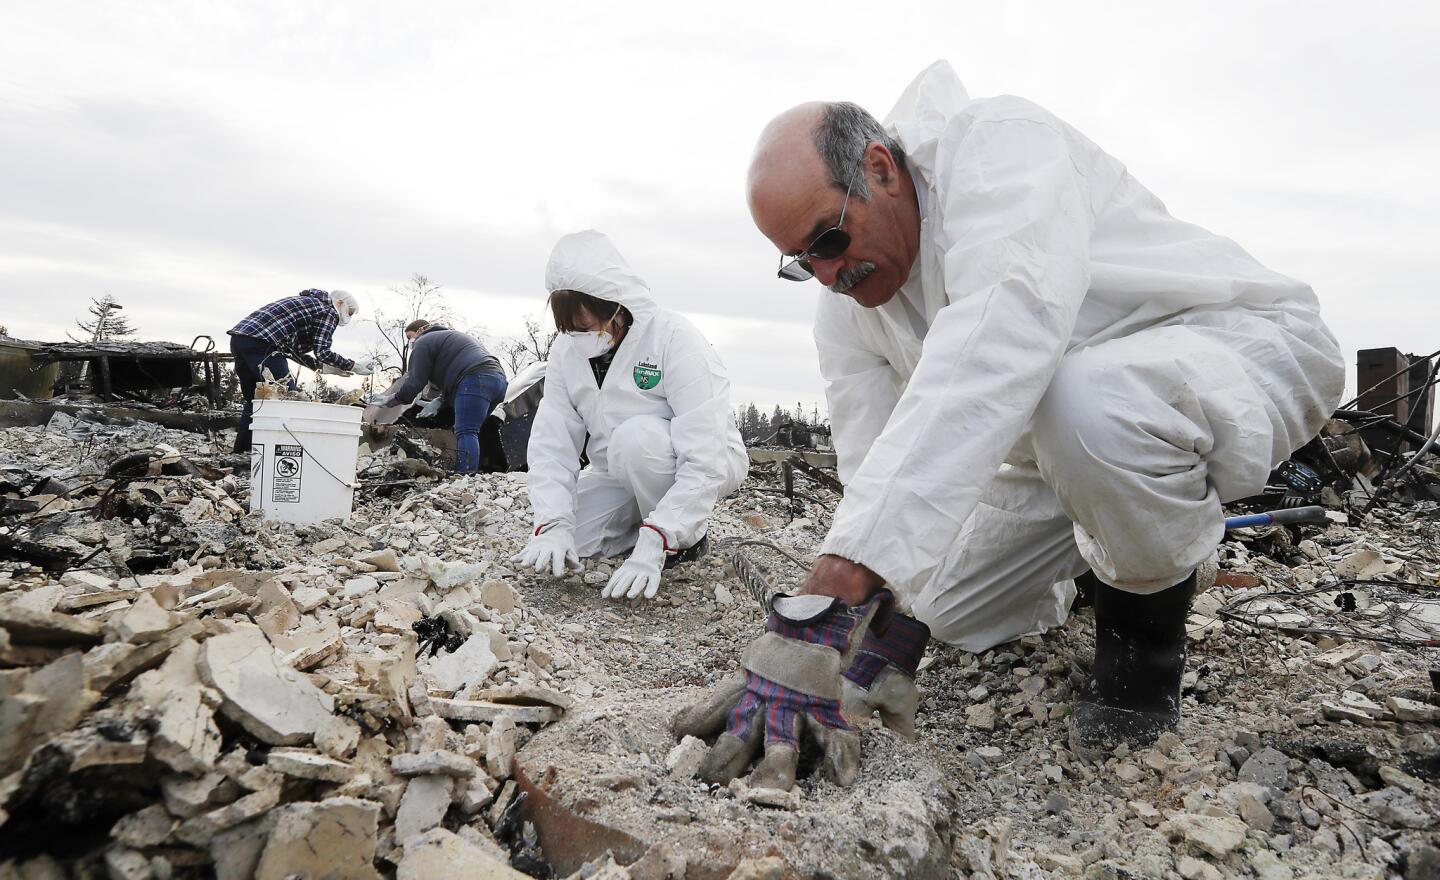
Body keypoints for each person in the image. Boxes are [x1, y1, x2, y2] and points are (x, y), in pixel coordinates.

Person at [677, 61, 1345, 791]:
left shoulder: (1000, 152)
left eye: (829, 242)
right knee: (942, 610)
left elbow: (997, 347)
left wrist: (824, 597)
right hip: (1061, 449)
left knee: (1085, 405)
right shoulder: (846, 310)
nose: (828, 275)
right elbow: (876, 470)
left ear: (880, 169)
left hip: (1230, 348)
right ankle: (1113, 541)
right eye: (802, 263)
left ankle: (1144, 641)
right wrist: (865, 638)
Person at [512, 230, 748, 602]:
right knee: (577, 541)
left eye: (587, 328)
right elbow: (552, 441)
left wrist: (658, 540)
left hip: (700, 458)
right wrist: (554, 522)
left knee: (635, 439)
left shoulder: (672, 338)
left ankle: (684, 537)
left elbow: (704, 454)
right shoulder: (565, 353)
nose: (580, 339)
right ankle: (648, 522)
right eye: (570, 330)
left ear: (616, 309)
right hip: (617, 468)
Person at [227, 288, 378, 454]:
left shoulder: (309, 305)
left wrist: (327, 368)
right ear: (340, 303)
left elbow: (293, 352)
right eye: (348, 312)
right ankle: (283, 453)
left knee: (256, 401)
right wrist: (353, 365)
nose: (347, 317)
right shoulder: (328, 310)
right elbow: (323, 352)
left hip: (240, 339)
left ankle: (241, 453)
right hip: (265, 344)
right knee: (288, 398)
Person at [378, 319, 508, 474]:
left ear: (422, 330)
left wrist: (393, 399)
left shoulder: (424, 341)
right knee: (472, 430)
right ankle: (483, 473)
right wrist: (439, 400)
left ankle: (465, 476)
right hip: (498, 380)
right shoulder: (450, 340)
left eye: (410, 337)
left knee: (466, 431)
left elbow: (415, 382)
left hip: (476, 378)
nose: (410, 342)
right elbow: (455, 377)